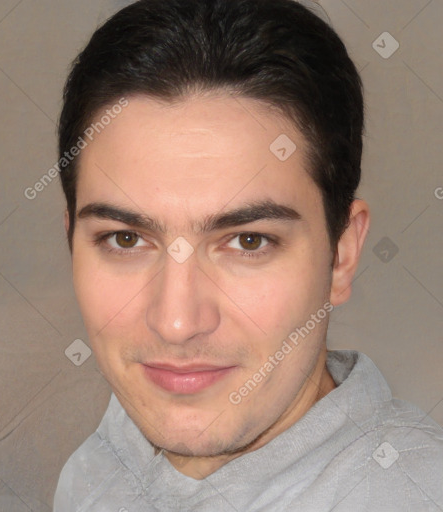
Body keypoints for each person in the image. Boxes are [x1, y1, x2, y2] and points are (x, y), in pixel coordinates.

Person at [53, 0, 443, 510]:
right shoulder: (96, 469)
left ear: (342, 254)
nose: (176, 322)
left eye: (248, 241)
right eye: (126, 239)